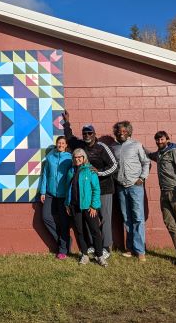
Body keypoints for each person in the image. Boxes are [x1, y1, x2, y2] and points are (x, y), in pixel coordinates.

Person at [62, 110, 118, 260]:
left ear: (94, 134)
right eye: (84, 133)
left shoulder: (102, 147)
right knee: (89, 219)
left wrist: (98, 172)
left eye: (89, 133)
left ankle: (106, 247)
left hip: (104, 188)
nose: (86, 135)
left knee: (104, 218)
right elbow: (69, 138)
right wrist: (67, 122)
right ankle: (94, 245)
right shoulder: (81, 145)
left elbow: (114, 166)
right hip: (86, 189)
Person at [148, 131, 176, 268]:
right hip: (164, 193)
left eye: (161, 139)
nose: (159, 142)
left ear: (167, 139)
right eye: (157, 140)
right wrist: (138, 146)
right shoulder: (160, 154)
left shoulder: (174, 152)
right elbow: (150, 155)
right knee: (169, 222)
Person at [111, 121, 150, 262]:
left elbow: (146, 162)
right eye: (119, 131)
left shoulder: (136, 145)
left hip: (135, 186)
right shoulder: (113, 147)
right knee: (126, 218)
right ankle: (130, 248)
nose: (121, 133)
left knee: (138, 218)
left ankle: (140, 251)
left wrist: (142, 178)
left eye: (124, 131)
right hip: (121, 187)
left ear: (128, 132)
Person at [64, 149, 107, 266]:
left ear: (84, 158)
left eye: (79, 157)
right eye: (75, 157)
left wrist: (94, 206)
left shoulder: (90, 170)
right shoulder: (70, 171)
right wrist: (67, 204)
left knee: (95, 231)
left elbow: (96, 189)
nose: (77, 159)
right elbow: (67, 189)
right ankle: (84, 254)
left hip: (89, 207)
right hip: (74, 206)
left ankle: (99, 255)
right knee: (79, 231)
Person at [39, 136, 73, 259]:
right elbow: (45, 174)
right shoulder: (50, 158)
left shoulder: (70, 159)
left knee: (64, 222)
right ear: (56, 144)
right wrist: (42, 191)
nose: (60, 145)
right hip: (50, 193)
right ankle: (64, 240)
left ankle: (63, 250)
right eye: (59, 143)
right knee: (46, 217)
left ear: (66, 145)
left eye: (63, 143)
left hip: (63, 195)